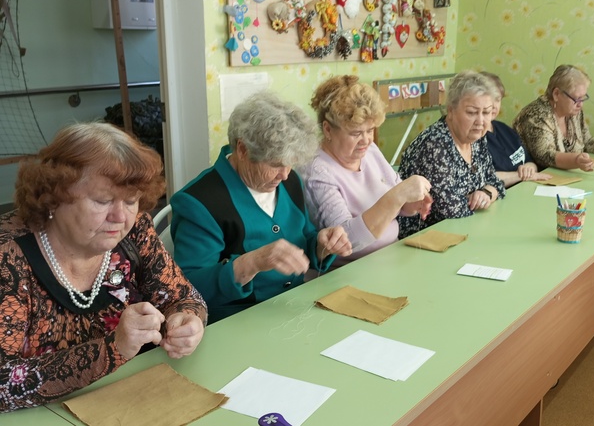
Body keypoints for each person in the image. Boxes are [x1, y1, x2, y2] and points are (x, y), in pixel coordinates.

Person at [0, 123, 207, 412]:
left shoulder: (135, 232)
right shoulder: (8, 257)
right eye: (102, 200)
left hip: (137, 402)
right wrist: (114, 348)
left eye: (131, 200)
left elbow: (184, 297)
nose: (120, 216)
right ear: (54, 197)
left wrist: (187, 321)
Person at [170, 91, 352, 324]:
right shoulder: (198, 202)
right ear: (242, 150)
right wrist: (251, 262)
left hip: (294, 311)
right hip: (236, 323)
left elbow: (303, 239)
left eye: (290, 163)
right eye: (275, 164)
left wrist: (321, 245)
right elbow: (188, 288)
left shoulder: (290, 181)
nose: (284, 174)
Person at [302, 75, 433, 268]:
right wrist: (398, 195)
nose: (366, 140)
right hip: (349, 270)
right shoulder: (317, 171)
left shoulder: (369, 151)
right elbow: (346, 241)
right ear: (328, 129)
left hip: (390, 257)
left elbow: (399, 205)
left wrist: (413, 203)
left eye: (370, 130)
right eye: (355, 133)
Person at [397, 70, 506, 238]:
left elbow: (495, 182)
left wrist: (486, 193)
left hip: (465, 229)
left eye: (486, 112)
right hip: (423, 239)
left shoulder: (476, 137)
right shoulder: (435, 144)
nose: (480, 121)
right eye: (471, 112)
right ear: (451, 111)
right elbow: (450, 210)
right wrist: (479, 197)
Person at [512, 64, 594, 172]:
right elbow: (545, 156)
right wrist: (576, 160)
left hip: (562, 177)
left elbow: (586, 142)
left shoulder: (573, 112)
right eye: (577, 98)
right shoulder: (536, 115)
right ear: (556, 94)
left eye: (583, 98)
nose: (580, 104)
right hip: (532, 178)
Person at [480, 71, 552, 187]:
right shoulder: (473, 137)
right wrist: (520, 175)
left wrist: (529, 168)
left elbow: (529, 161)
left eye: (497, 99)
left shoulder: (504, 129)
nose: (493, 106)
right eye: (488, 100)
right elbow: (480, 179)